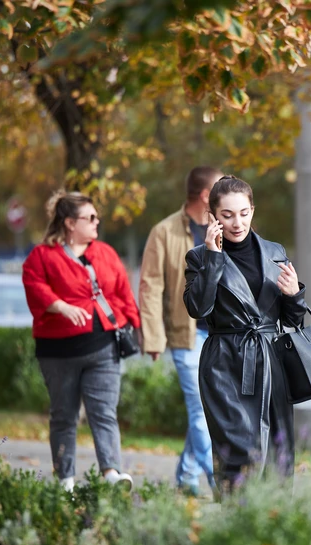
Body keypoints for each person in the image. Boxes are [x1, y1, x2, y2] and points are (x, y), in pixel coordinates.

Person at [183, 175, 309, 494]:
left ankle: (274, 527)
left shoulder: (274, 251)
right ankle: (236, 528)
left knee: (278, 454)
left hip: (270, 362)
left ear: (253, 209)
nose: (237, 222)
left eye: (243, 212)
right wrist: (213, 257)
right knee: (237, 452)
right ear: (213, 216)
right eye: (226, 215)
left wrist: (294, 294)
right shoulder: (198, 256)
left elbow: (292, 319)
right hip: (224, 365)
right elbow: (198, 308)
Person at [22, 190, 140, 492]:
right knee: (64, 416)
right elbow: (33, 284)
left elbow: (123, 293)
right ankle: (65, 481)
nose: (97, 222)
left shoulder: (106, 253)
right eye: (91, 218)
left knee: (104, 413)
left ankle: (112, 473)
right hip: (57, 351)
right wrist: (60, 305)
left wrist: (139, 328)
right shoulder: (42, 256)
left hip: (103, 347)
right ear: (70, 223)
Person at [138, 166, 222, 496]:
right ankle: (222, 481)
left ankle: (186, 477)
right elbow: (150, 286)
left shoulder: (226, 226)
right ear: (205, 196)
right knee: (201, 409)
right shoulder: (164, 232)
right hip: (187, 336)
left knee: (205, 408)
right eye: (220, 185)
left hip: (222, 335)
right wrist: (153, 336)